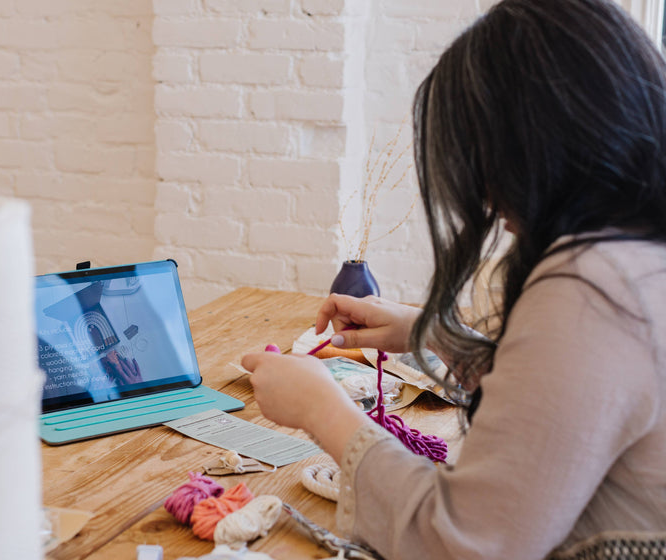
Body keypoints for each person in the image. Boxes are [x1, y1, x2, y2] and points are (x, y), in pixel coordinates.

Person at [241, 0, 666, 557]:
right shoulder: (638, 253)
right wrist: (433, 333)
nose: (485, 196)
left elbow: (467, 541)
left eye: (482, 157)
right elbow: (572, 411)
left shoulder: (592, 288)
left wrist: (321, 410)